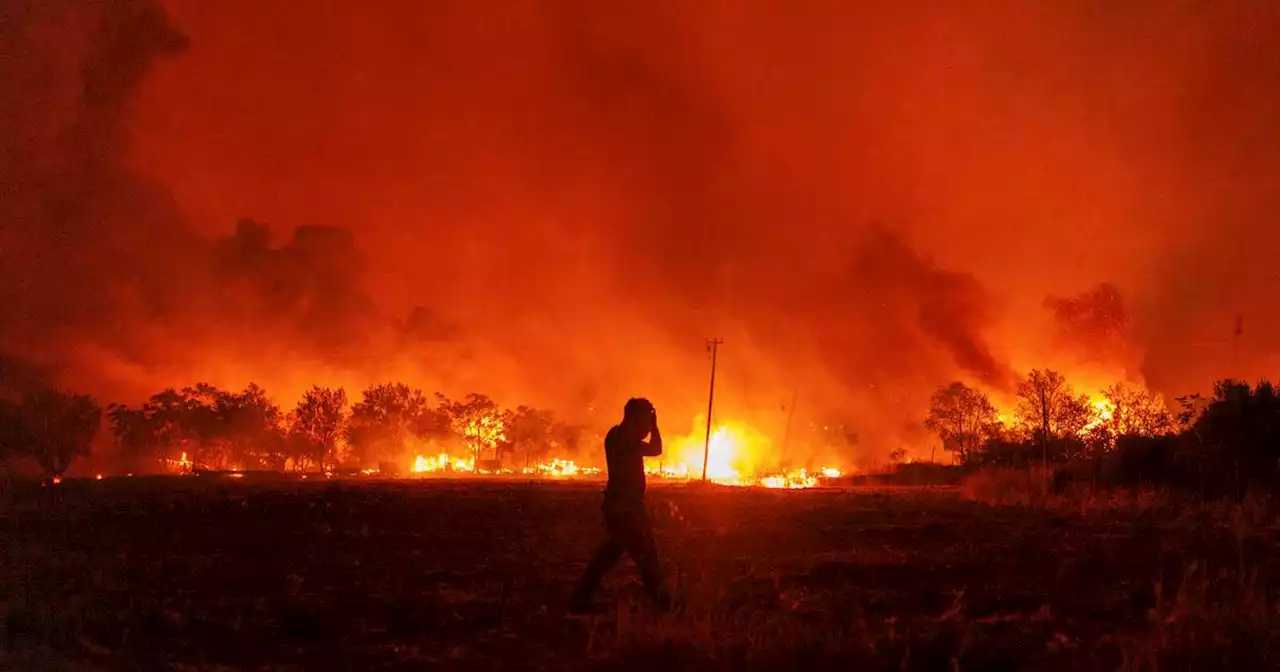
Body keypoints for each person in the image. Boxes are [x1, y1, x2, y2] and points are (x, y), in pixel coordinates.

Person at [569, 397, 673, 614]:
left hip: (629, 507)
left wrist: (652, 425)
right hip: (623, 509)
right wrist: (654, 427)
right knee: (644, 555)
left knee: (610, 555)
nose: (647, 429)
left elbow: (656, 449)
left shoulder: (625, 438)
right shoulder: (619, 437)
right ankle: (662, 603)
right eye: (644, 422)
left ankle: (579, 600)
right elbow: (655, 448)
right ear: (634, 419)